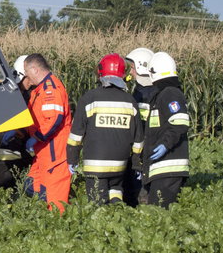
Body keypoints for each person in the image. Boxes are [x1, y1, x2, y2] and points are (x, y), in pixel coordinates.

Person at [67, 54, 143, 204]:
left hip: (96, 165)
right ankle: (117, 208)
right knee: (116, 189)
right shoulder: (130, 101)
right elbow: (138, 139)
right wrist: (136, 164)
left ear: (101, 73)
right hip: (120, 165)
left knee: (97, 204)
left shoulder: (89, 98)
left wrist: (72, 159)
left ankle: (102, 222)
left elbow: (76, 135)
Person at [22, 53, 73, 212]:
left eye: (26, 72)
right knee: (31, 185)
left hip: (54, 155)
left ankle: (59, 230)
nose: (26, 76)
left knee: (56, 204)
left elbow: (53, 120)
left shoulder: (50, 89)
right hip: (43, 153)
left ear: (35, 70)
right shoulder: (40, 90)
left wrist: (36, 138)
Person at [142, 52, 190, 208]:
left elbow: (180, 122)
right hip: (161, 168)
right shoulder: (162, 94)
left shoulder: (170, 93)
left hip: (169, 166)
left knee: (159, 215)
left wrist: (165, 144)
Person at [0, 55, 33, 195]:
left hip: (26, 144)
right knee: (4, 181)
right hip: (8, 144)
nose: (30, 81)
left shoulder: (29, 94)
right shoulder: (7, 93)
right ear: (20, 76)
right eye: (27, 78)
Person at [122, 47, 155, 206]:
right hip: (144, 145)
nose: (131, 72)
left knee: (138, 185)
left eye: (133, 68)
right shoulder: (145, 89)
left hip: (142, 147)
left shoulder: (145, 93)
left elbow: (140, 123)